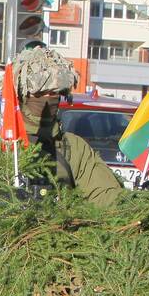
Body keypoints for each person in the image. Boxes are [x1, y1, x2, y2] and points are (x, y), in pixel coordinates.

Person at [13, 46, 123, 206]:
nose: (48, 99)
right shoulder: (1, 144)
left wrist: (136, 204)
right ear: (23, 95)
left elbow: (104, 195)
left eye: (54, 93)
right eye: (39, 93)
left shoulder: (73, 147)